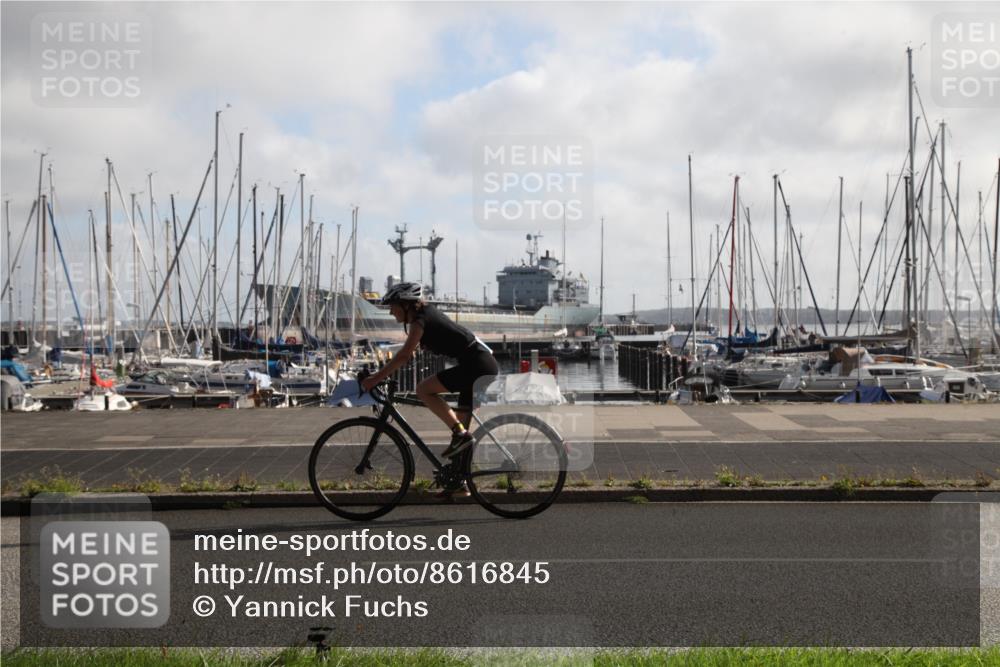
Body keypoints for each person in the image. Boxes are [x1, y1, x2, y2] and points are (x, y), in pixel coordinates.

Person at [360, 281, 498, 467]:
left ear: (406, 304)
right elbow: (408, 355)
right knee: (461, 440)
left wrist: (375, 379)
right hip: (479, 363)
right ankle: (459, 483)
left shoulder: (420, 321)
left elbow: (403, 355)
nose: (391, 312)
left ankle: (459, 433)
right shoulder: (424, 316)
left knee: (424, 390)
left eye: (392, 307)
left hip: (477, 366)